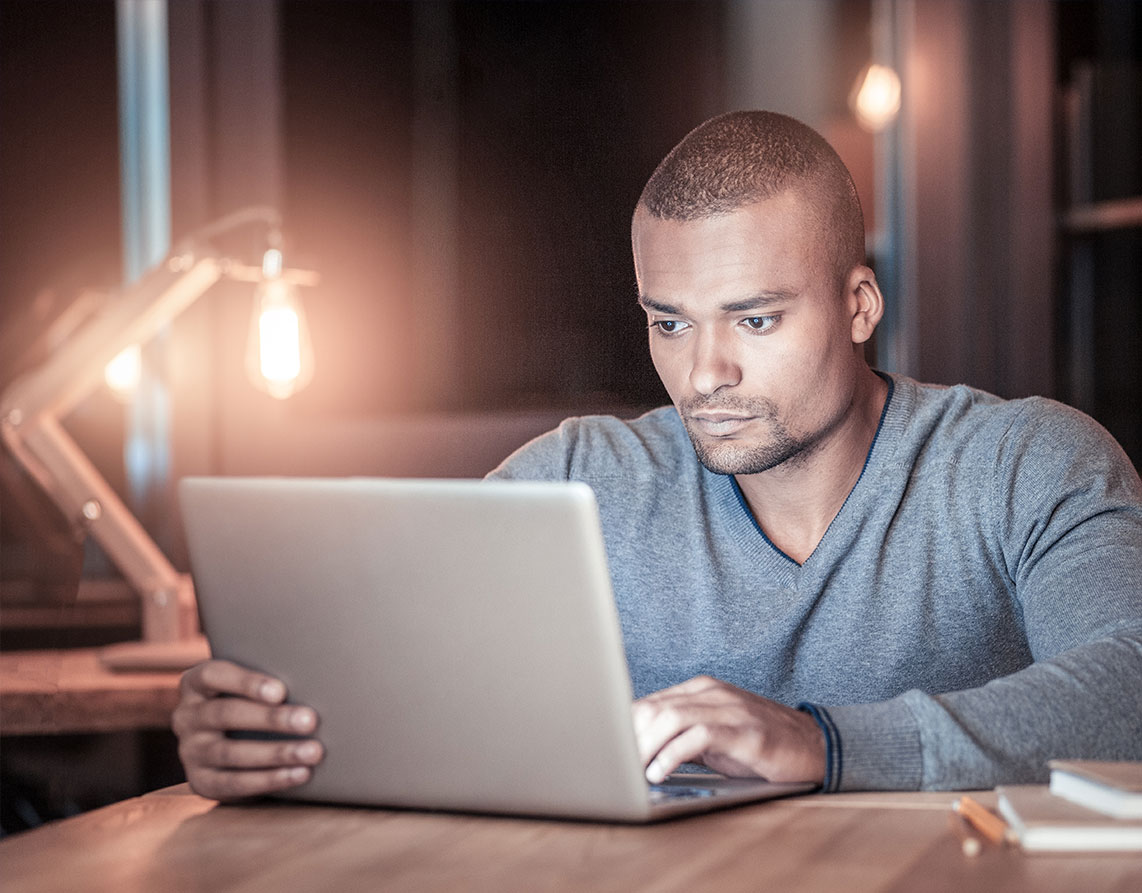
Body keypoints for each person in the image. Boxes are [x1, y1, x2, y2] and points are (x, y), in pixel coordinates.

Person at [173, 111, 1142, 801]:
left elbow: (1129, 684)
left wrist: (820, 741)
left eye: (753, 318)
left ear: (857, 302)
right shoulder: (576, 478)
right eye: (667, 322)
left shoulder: (1028, 462)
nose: (703, 372)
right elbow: (370, 669)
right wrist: (262, 731)